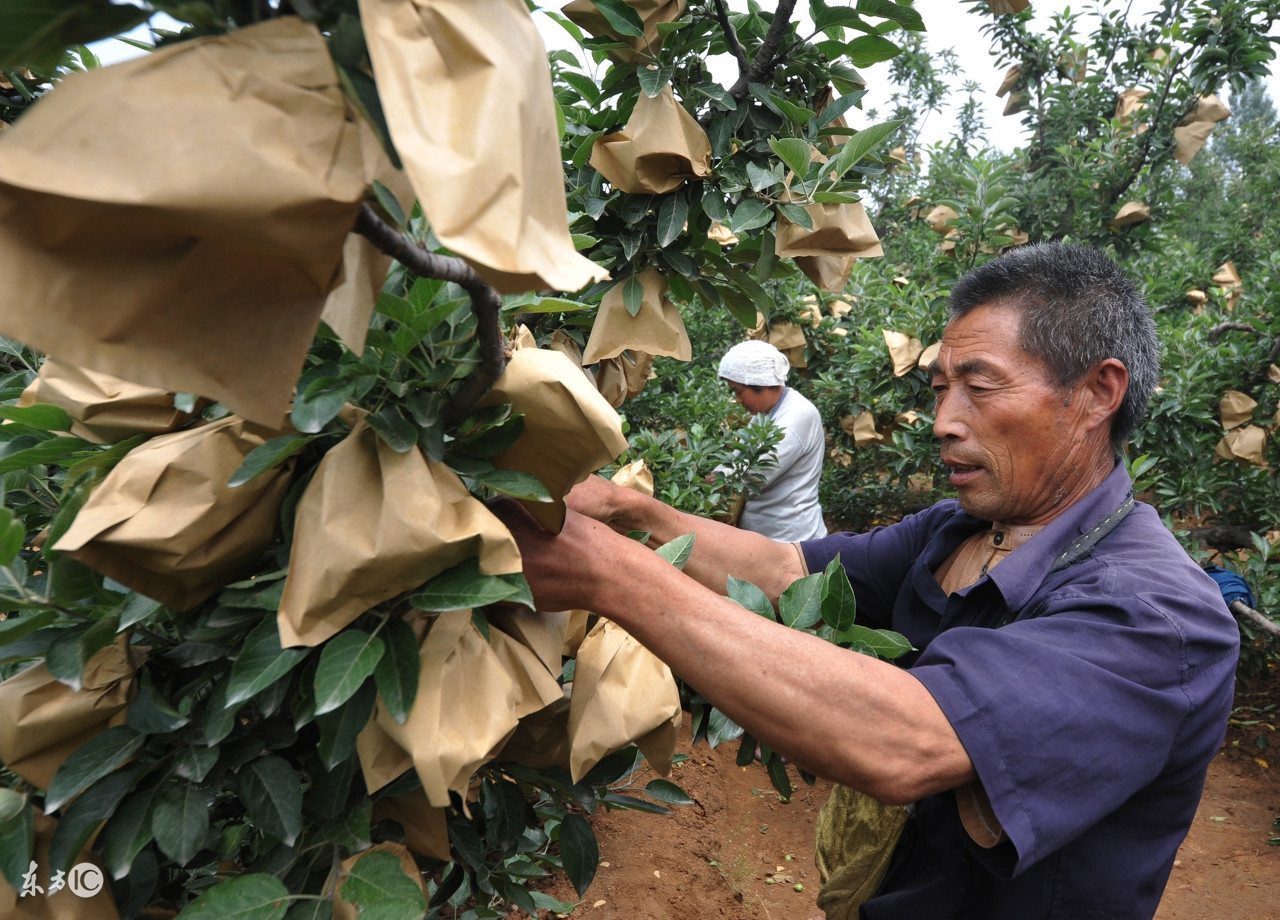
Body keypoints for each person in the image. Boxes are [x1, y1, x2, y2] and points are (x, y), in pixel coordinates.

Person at [494, 242, 1239, 919]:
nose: (943, 420)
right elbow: (786, 570)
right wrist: (632, 511)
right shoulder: (961, 529)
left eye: (979, 388)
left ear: (1098, 394)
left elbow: (907, 738)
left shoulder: (1159, 617)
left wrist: (609, 573)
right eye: (941, 389)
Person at [715, 339, 827, 541]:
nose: (737, 400)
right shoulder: (766, 413)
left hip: (791, 539)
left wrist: (715, 480)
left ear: (763, 385)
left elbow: (755, 474)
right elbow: (737, 457)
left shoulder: (798, 416)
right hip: (764, 536)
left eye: (739, 392)